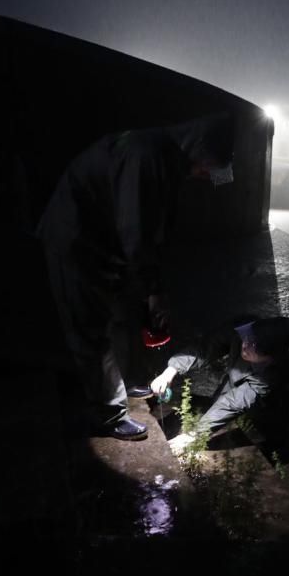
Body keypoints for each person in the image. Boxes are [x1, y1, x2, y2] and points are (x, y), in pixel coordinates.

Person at [37, 113, 235, 440]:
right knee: (90, 329)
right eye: (207, 167)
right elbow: (136, 231)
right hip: (75, 241)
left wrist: (151, 286)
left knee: (119, 315)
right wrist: (153, 289)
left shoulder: (169, 160)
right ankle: (108, 415)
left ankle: (128, 381)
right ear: (198, 148)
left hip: (105, 247)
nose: (204, 175)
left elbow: (156, 233)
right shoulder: (146, 156)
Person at [150, 316, 289, 453]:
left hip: (280, 392)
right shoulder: (242, 329)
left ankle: (279, 446)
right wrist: (171, 370)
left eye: (255, 347)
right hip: (241, 371)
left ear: (270, 358)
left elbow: (235, 402)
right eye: (248, 338)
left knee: (273, 423)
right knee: (221, 398)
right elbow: (205, 348)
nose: (246, 345)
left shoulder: (274, 374)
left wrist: (194, 435)